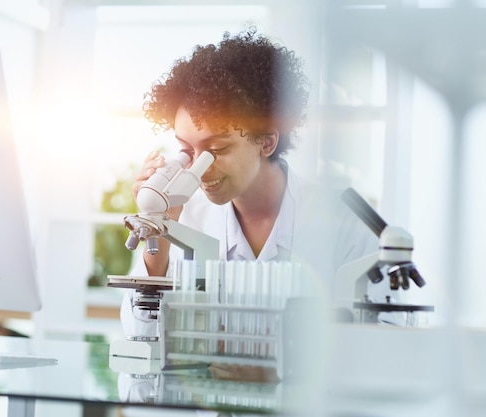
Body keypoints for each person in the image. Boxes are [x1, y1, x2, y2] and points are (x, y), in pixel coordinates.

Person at [120, 26, 383, 337]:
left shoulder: (343, 222)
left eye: (217, 149)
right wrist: (161, 240)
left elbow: (375, 340)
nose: (200, 168)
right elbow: (142, 334)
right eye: (187, 150)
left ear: (267, 141)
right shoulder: (188, 218)